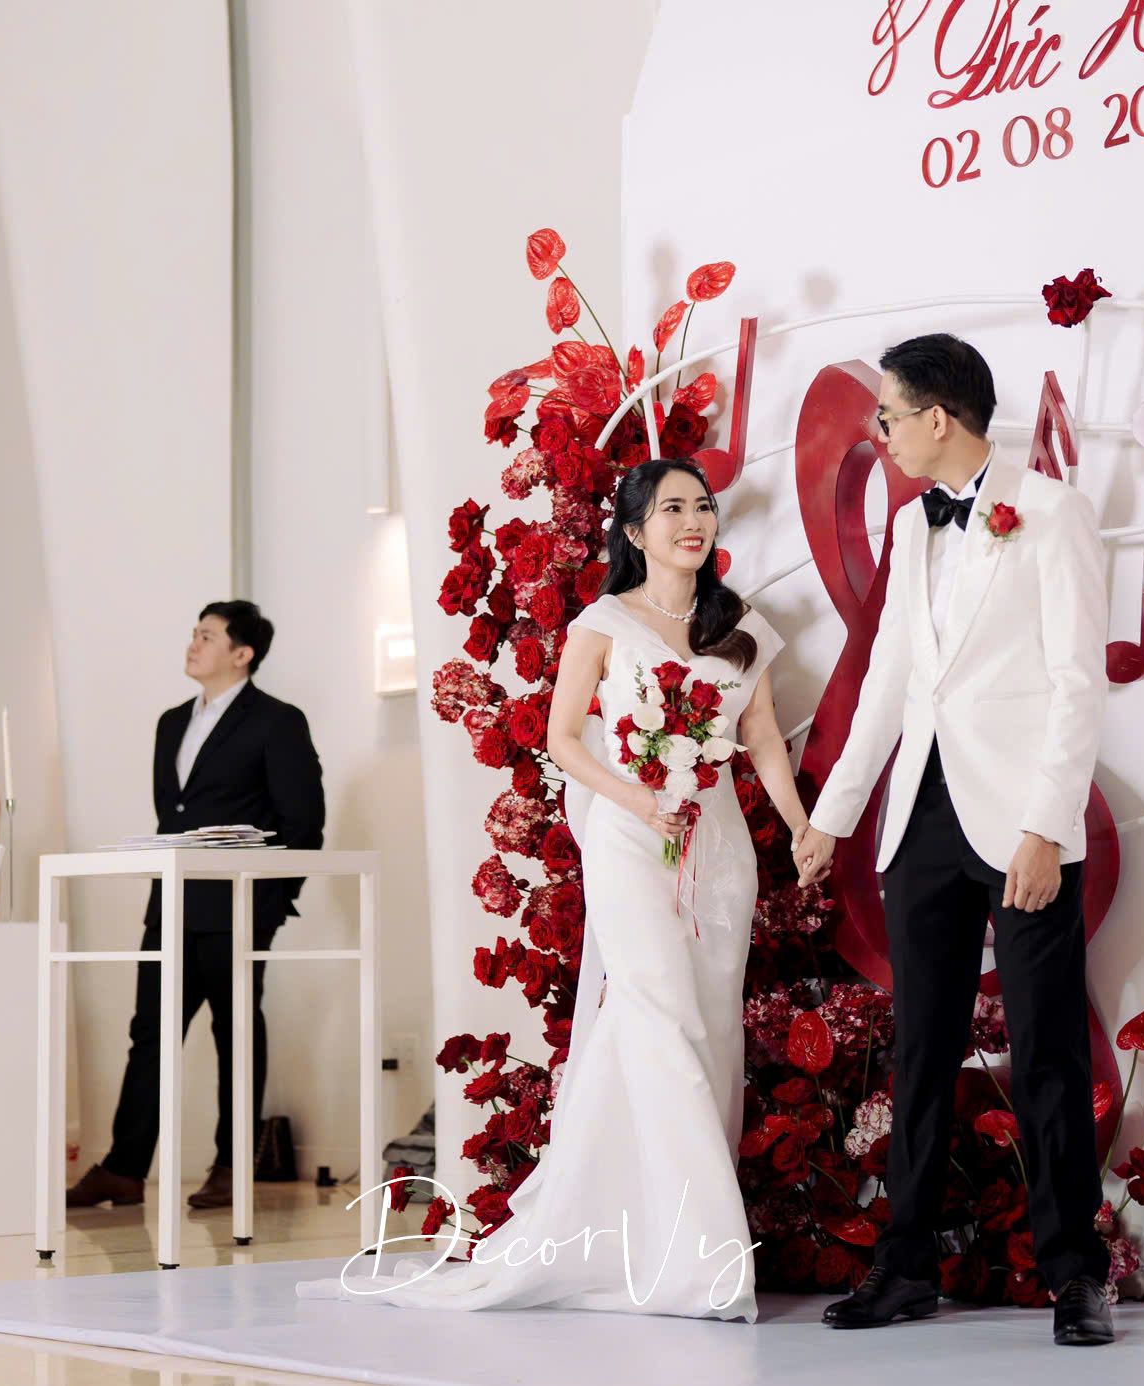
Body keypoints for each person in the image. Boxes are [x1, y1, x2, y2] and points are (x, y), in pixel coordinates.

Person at [303, 457, 814, 1321]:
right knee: (661, 1016)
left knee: (710, 1031)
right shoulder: (604, 623)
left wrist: (800, 825)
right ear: (635, 530)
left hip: (716, 850)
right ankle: (706, 1265)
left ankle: (643, 1237)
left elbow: (761, 737)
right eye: (673, 508)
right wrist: (637, 800)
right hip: (630, 838)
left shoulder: (739, 626)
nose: (693, 520)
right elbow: (564, 739)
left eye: (702, 506)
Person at [794, 333, 1116, 1346]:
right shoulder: (911, 520)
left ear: (938, 418)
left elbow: (1077, 681)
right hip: (921, 819)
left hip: (1020, 821)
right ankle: (905, 1268)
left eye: (889, 415)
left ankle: (1076, 1274)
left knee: (1047, 1048)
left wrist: (1046, 827)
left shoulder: (1053, 511)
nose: (880, 432)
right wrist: (833, 815)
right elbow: (890, 674)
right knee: (921, 1049)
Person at [66, 601, 325, 1214]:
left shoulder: (277, 721)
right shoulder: (170, 723)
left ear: (243, 654)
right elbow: (174, 816)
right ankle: (124, 1168)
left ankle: (233, 1166)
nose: (193, 644)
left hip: (238, 908)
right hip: (171, 904)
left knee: (235, 1034)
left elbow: (304, 824)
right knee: (149, 1034)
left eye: (207, 636)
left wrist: (267, 906)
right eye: (194, 633)